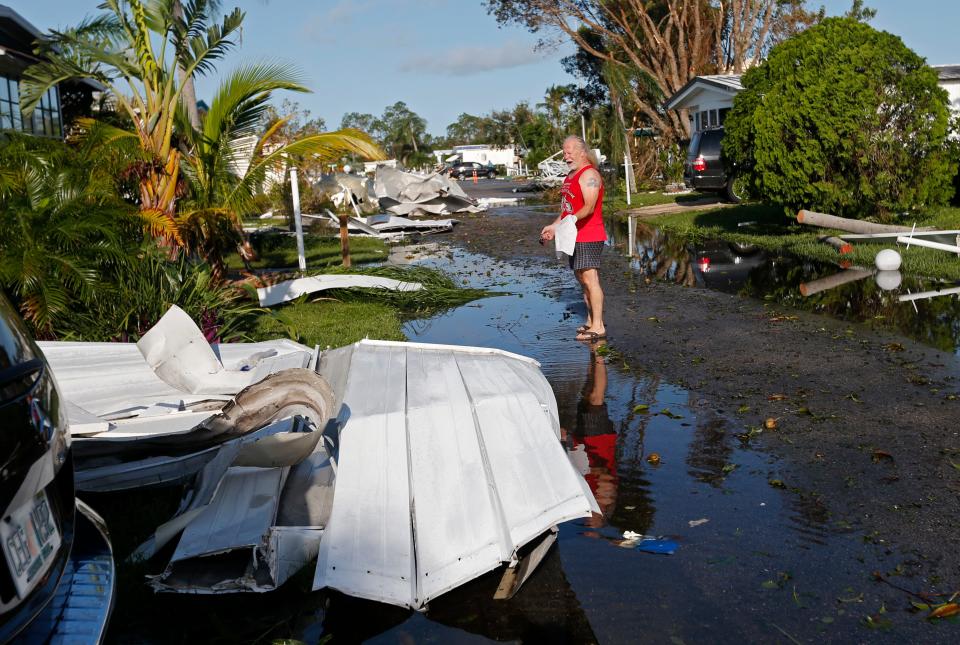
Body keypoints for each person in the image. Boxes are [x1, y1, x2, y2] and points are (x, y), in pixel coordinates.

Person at [540, 136, 606, 341]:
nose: (566, 155)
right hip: (574, 234)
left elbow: (589, 207)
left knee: (590, 278)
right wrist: (554, 226)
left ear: (582, 152)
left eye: (569, 151)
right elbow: (568, 208)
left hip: (589, 233)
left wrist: (569, 221)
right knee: (581, 279)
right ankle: (590, 320)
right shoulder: (570, 176)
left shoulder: (590, 175)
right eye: (564, 152)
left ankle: (599, 326)